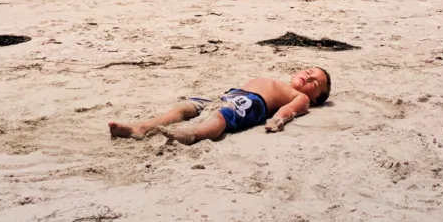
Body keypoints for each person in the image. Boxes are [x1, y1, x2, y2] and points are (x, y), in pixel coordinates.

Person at [109, 68, 331, 143]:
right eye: (308, 72)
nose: (308, 77)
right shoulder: (281, 82)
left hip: (254, 103)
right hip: (231, 94)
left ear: (315, 99)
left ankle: (193, 134)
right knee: (186, 107)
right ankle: (141, 128)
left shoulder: (299, 97)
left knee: (222, 117)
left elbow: (290, 109)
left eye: (314, 83)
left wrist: (279, 119)